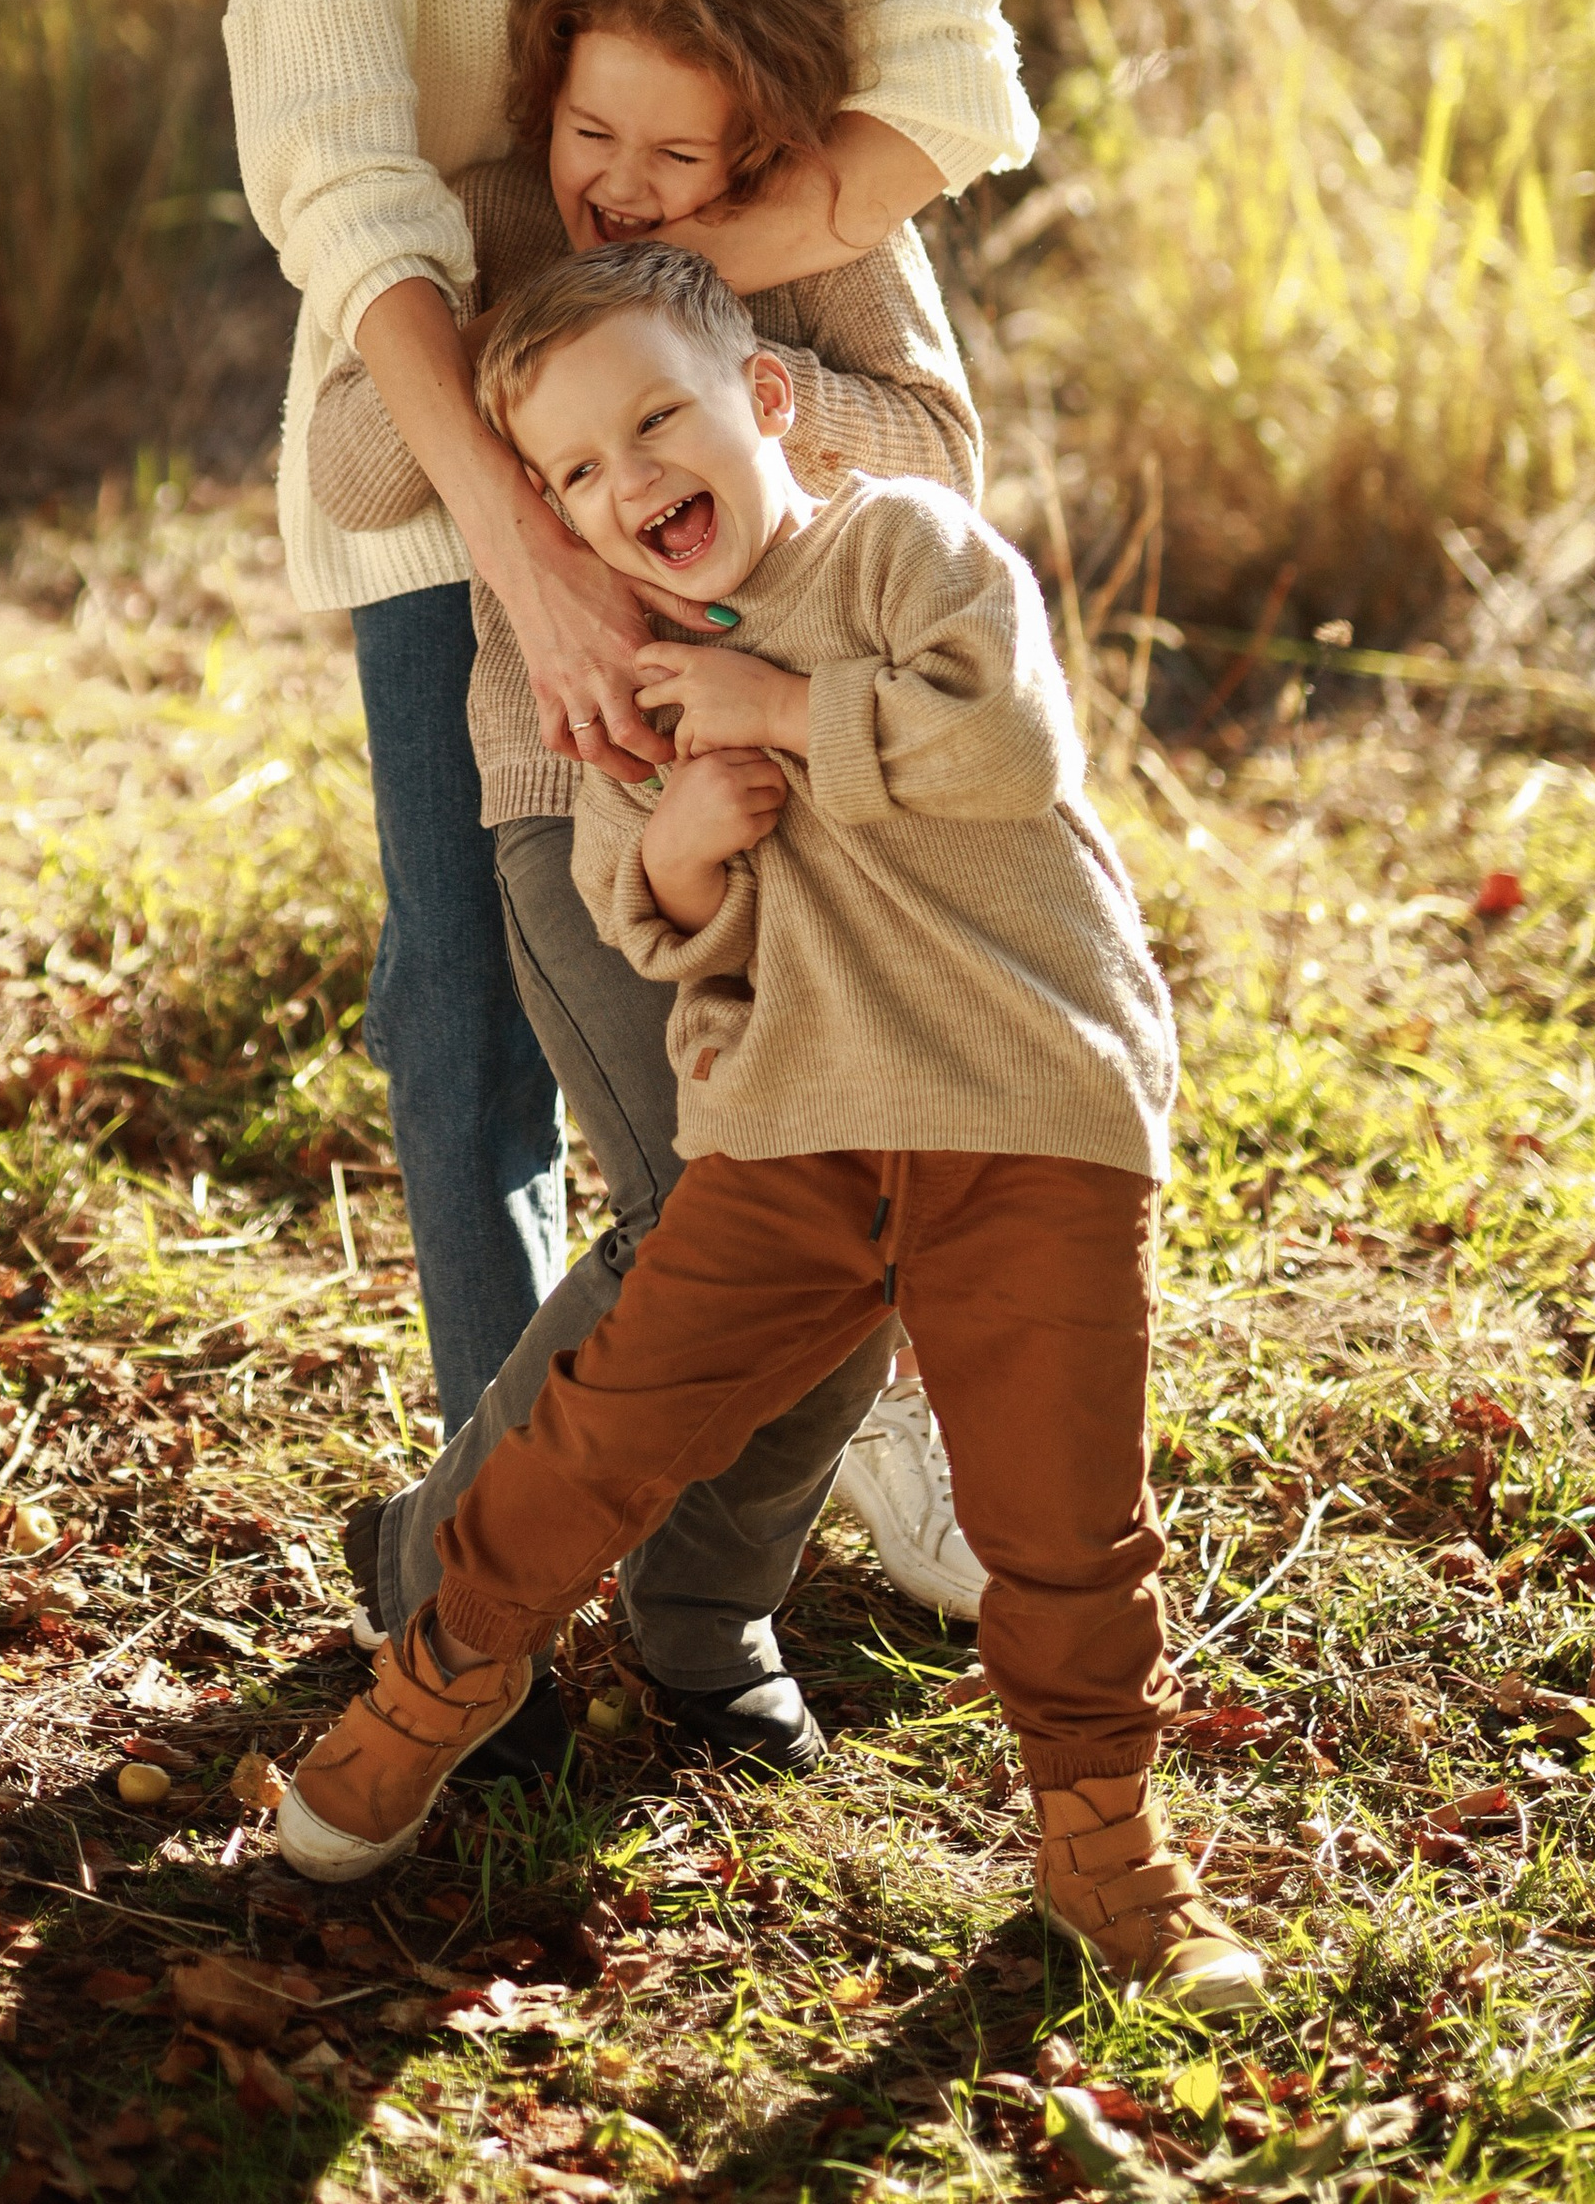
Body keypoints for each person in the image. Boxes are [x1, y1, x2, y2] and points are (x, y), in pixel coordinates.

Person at [217, 0, 1031, 1601]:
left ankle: (783, 1463)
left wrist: (681, 322)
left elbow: (949, 76)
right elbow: (348, 194)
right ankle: (510, 1563)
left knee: (836, 968)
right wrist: (524, 524)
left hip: (730, 416)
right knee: (466, 1016)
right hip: (428, 431)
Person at [272, 244, 1264, 2025]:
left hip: (1022, 1110)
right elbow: (630, 902)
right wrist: (676, 846)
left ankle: (1103, 1835)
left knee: (1062, 1510)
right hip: (798, 1129)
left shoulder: (905, 549)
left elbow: (1015, 744)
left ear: (771, 401)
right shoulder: (642, 662)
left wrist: (792, 716)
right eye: (576, 471)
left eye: (660, 420)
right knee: (608, 1421)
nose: (629, 482)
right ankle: (441, 1680)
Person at [305, 0, 992, 1766]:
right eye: (594, 127)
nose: (619, 182)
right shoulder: (498, 223)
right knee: (718, 1203)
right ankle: (443, 1556)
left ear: (756, 146)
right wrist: (546, 389)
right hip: (579, 785)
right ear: (549, 94)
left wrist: (712, 351)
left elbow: (944, 438)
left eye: (673, 159)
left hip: (829, 799)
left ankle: (704, 1622)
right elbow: (363, 460)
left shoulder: (819, 230)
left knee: (855, 1219)